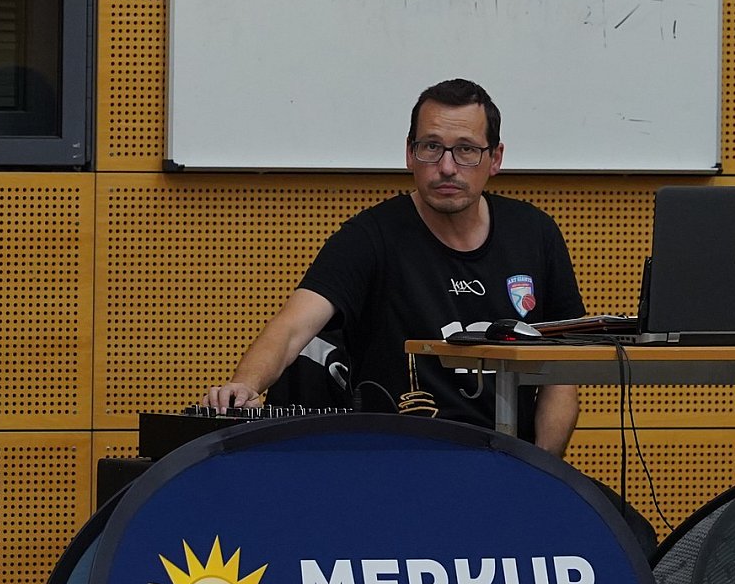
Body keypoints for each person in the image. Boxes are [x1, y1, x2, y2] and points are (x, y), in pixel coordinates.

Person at [203, 79, 585, 456]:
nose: (447, 167)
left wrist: (541, 471)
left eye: (466, 150)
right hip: (396, 461)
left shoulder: (535, 233)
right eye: (431, 147)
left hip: (508, 463)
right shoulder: (370, 236)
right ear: (409, 154)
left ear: (495, 158)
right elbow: (291, 328)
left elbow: (564, 373)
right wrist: (245, 385)